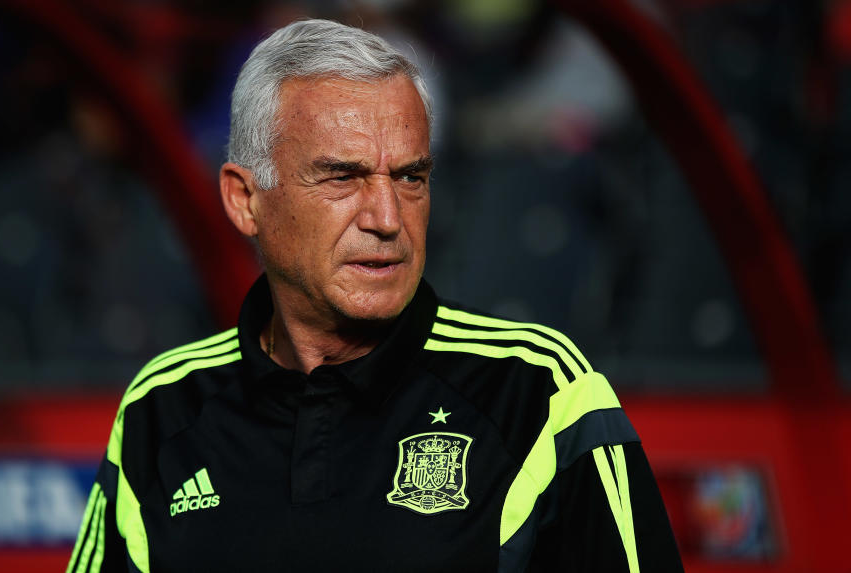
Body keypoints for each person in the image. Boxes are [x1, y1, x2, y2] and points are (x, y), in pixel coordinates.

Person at [67, 18, 683, 573]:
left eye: (411, 177)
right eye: (343, 176)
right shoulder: (161, 408)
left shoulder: (539, 392)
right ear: (245, 200)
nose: (388, 217)